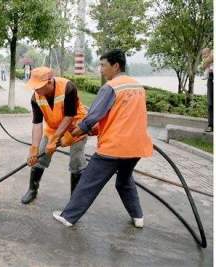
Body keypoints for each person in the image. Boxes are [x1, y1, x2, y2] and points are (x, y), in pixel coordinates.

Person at [52, 49, 153, 228]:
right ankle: (138, 217)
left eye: (103, 65)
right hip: (137, 146)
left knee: (88, 181)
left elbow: (92, 117)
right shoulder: (138, 86)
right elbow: (121, 116)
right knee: (124, 181)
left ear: (115, 65)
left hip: (115, 146)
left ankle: (68, 216)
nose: (100, 69)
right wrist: (94, 130)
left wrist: (72, 134)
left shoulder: (111, 87)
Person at [22, 66, 88, 204]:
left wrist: (56, 139)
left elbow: (69, 116)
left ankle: (75, 200)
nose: (36, 90)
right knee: (40, 155)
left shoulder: (68, 87)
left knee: (76, 160)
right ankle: (32, 189)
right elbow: (37, 124)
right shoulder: (36, 97)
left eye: (38, 87)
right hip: (53, 128)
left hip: (75, 125)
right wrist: (33, 148)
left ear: (49, 82)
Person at [201, 48, 213, 132]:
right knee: (210, 103)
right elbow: (204, 65)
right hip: (211, 78)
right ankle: (210, 125)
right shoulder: (211, 53)